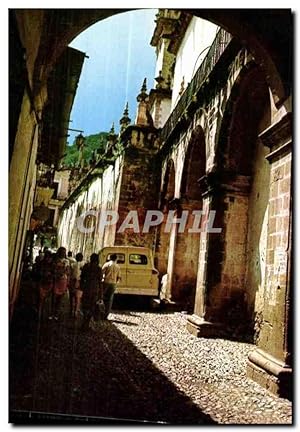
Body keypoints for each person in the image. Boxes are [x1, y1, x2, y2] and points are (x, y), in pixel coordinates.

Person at [80, 253, 103, 330]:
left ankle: (84, 321)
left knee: (85, 305)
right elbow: (100, 282)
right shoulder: (98, 269)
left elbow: (82, 278)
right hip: (95, 289)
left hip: (86, 288)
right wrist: (101, 294)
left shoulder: (86, 267)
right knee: (92, 307)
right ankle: (87, 322)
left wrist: (81, 286)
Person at [50, 246, 70, 320]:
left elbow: (68, 271)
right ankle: (52, 313)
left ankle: (56, 314)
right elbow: (53, 269)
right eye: (62, 252)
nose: (63, 253)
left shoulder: (66, 261)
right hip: (56, 280)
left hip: (62, 280)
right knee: (54, 297)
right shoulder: (55, 260)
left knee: (59, 298)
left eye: (64, 252)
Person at [102, 253, 121, 320]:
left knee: (102, 297)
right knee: (109, 299)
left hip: (106, 282)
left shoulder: (106, 264)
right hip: (113, 284)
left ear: (110, 258)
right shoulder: (118, 266)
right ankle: (106, 315)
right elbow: (119, 277)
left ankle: (101, 312)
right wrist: (116, 283)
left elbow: (102, 273)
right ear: (116, 258)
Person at [69, 252, 84, 318]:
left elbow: (70, 273)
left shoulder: (72, 265)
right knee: (78, 298)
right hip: (79, 282)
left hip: (72, 282)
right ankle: (76, 311)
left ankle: (72, 310)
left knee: (72, 297)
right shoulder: (83, 265)